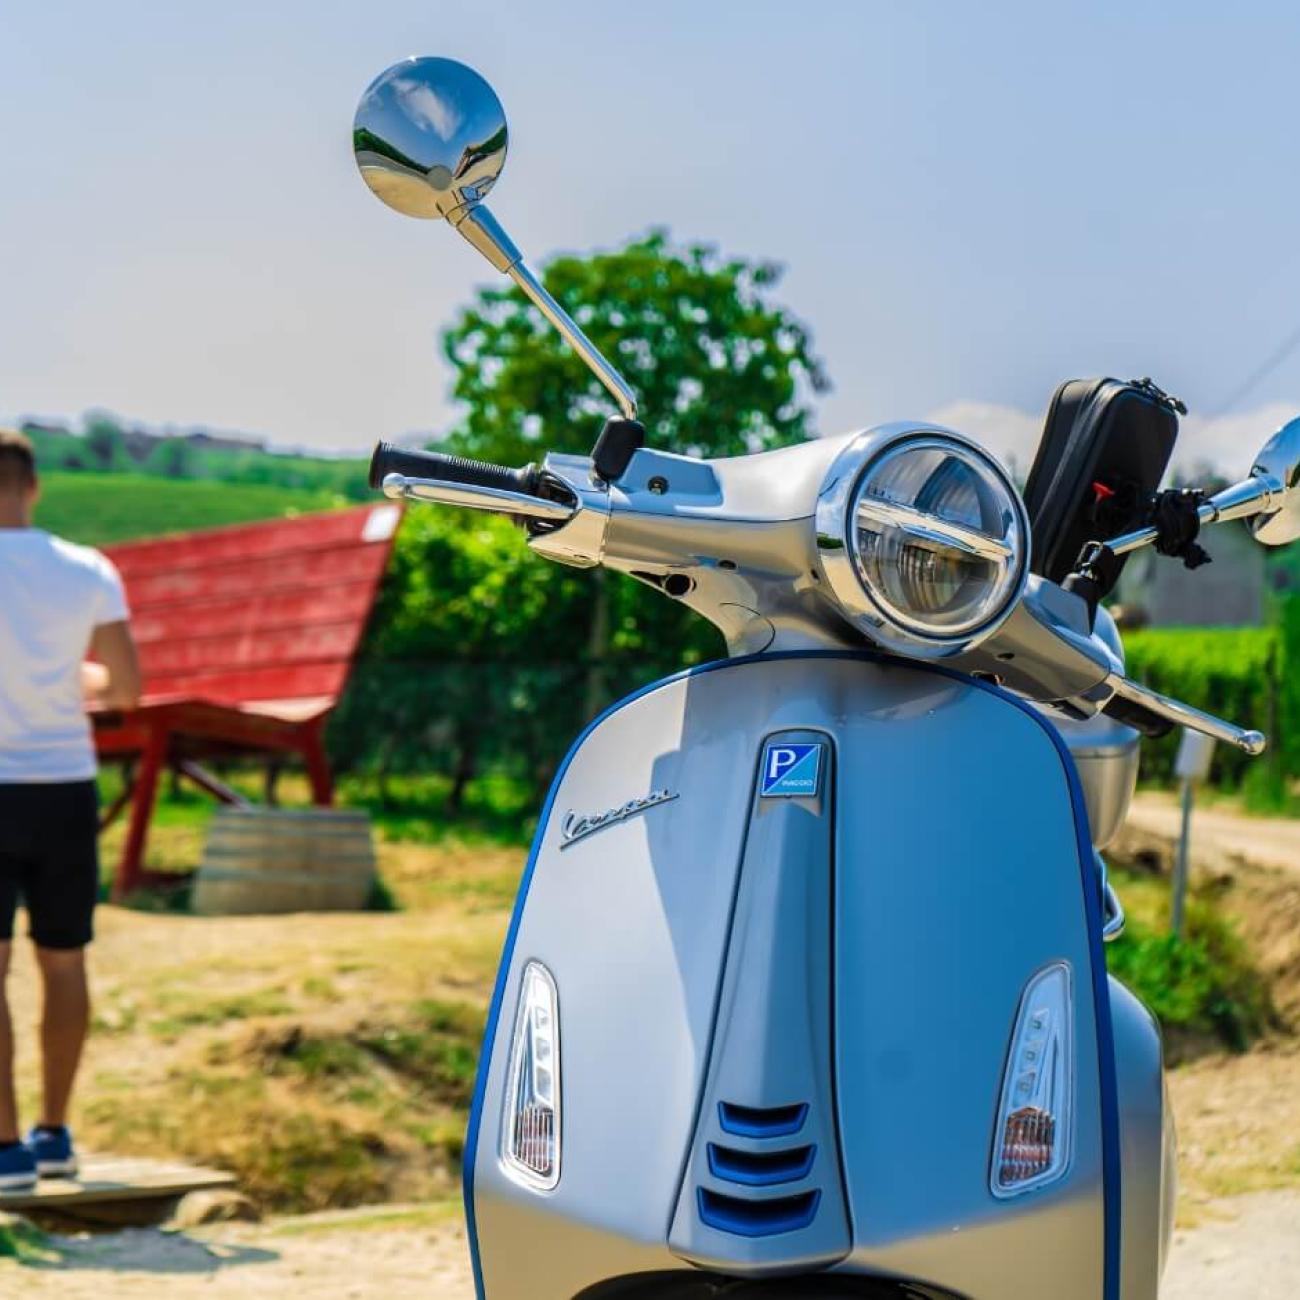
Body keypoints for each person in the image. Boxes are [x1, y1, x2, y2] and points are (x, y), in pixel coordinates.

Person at [0, 428, 141, 1188]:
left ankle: (4, 1149)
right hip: (63, 788)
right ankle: (54, 1133)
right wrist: (74, 681)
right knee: (64, 962)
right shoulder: (88, 570)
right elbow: (125, 691)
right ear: (33, 487)